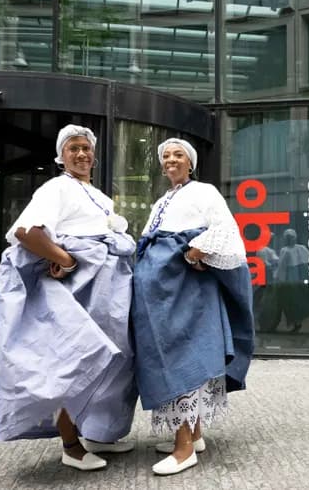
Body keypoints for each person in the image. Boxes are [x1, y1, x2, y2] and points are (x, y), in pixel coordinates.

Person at [0, 125, 138, 471]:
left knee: (111, 363)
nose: (82, 153)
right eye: (74, 148)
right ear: (61, 156)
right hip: (78, 292)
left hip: (105, 294)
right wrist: (65, 259)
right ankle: (71, 447)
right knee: (73, 362)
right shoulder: (56, 187)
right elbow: (26, 232)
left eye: (86, 148)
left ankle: (96, 434)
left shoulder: (99, 196)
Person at [131, 138, 254, 476]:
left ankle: (184, 448)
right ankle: (194, 434)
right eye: (166, 155)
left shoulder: (204, 191)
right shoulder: (162, 200)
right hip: (161, 295)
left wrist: (194, 252)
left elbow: (226, 230)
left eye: (178, 155)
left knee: (181, 357)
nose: (171, 159)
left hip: (186, 291)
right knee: (172, 355)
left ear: (191, 163)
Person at [274, 229, 309, 332]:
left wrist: (278, 279)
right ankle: (296, 322)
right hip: (295, 280)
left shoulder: (300, 248)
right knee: (293, 301)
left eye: (291, 238)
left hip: (297, 281)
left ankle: (297, 321)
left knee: (295, 301)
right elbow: (282, 267)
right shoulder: (288, 250)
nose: (290, 240)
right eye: (289, 238)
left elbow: (282, 267)